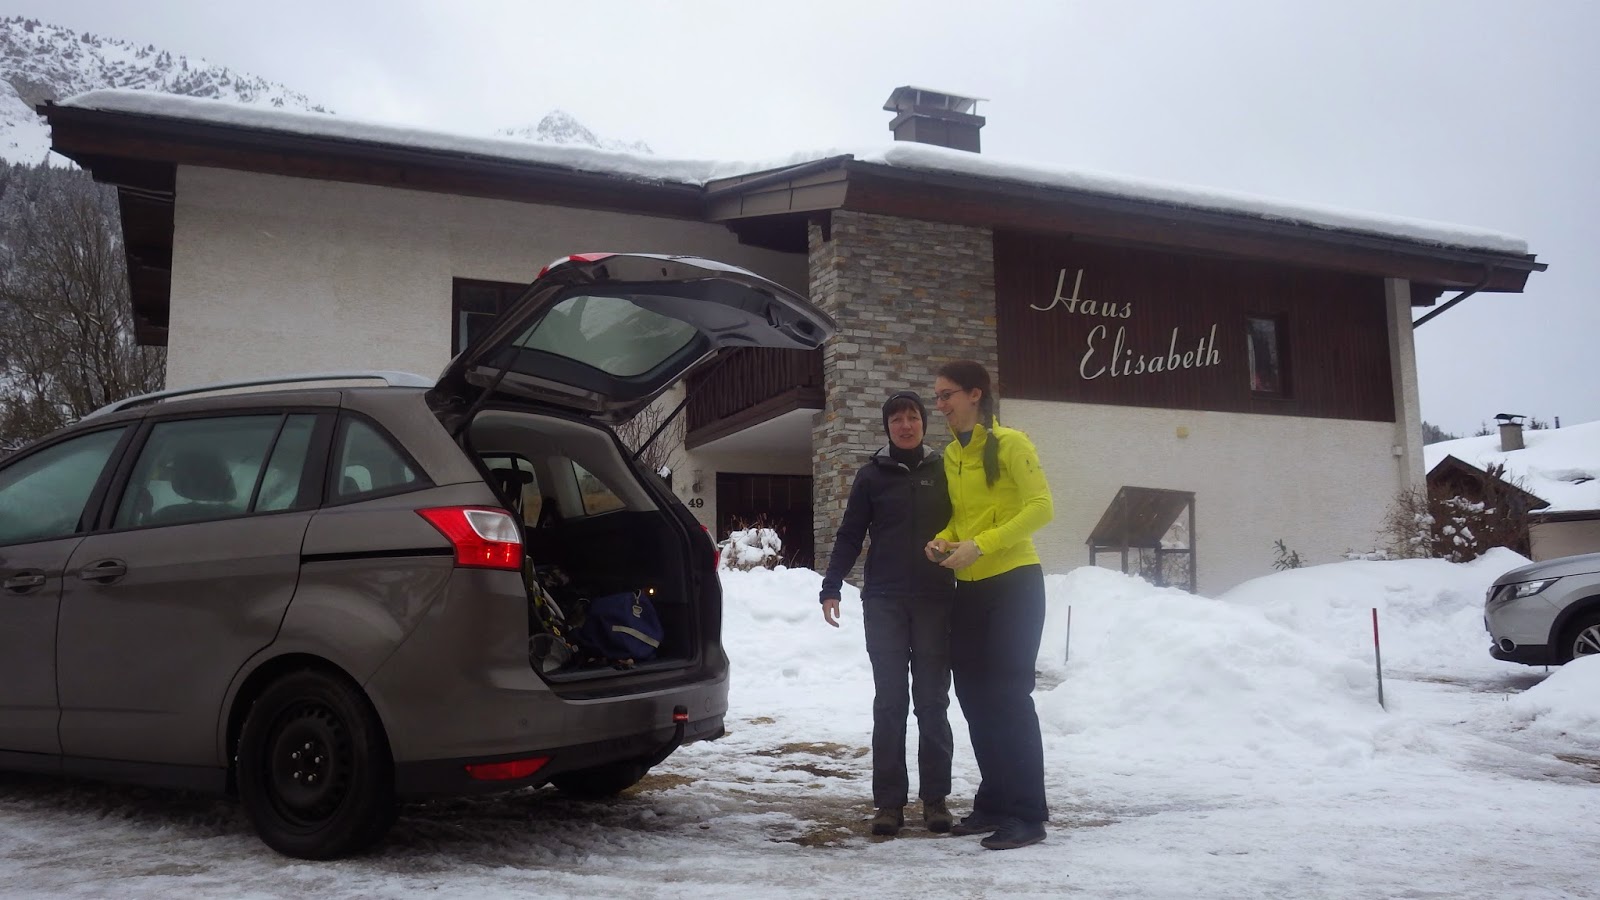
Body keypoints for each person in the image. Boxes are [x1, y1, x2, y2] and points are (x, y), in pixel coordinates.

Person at [924, 360, 1054, 851]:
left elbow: (1042, 507)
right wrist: (944, 540)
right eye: (938, 396)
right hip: (971, 590)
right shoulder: (953, 455)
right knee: (975, 697)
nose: (940, 405)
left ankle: (1028, 814)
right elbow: (963, 521)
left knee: (1008, 697)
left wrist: (983, 544)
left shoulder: (1013, 444)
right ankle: (995, 802)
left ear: (975, 394)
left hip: (1015, 584)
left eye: (947, 395)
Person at [819, 390, 956, 837]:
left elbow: (968, 526)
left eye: (912, 417)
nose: (905, 425)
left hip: (936, 599)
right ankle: (889, 805)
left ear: (923, 423)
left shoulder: (945, 470)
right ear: (887, 427)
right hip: (884, 601)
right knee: (891, 703)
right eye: (896, 419)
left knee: (933, 703)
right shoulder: (870, 476)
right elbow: (850, 533)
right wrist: (831, 585)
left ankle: (935, 800)